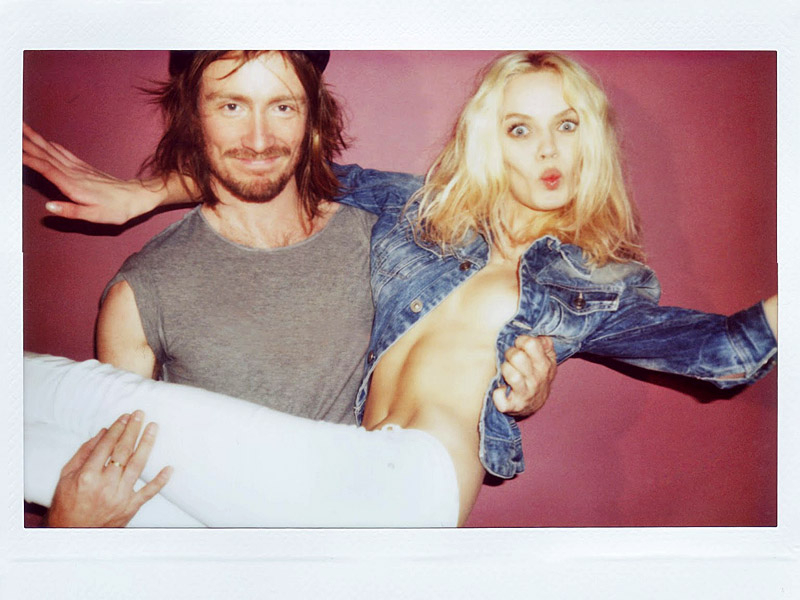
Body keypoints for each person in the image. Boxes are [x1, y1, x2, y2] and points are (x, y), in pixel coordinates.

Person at [23, 50, 777, 527]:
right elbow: (279, 165)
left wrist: (528, 387)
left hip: (412, 486)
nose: (547, 149)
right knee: (66, 468)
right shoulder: (418, 213)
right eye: (520, 128)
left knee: (71, 395)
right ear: (490, 141)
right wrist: (145, 192)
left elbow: (726, 352)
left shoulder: (595, 286)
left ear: (593, 140)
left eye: (568, 125)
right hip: (349, 470)